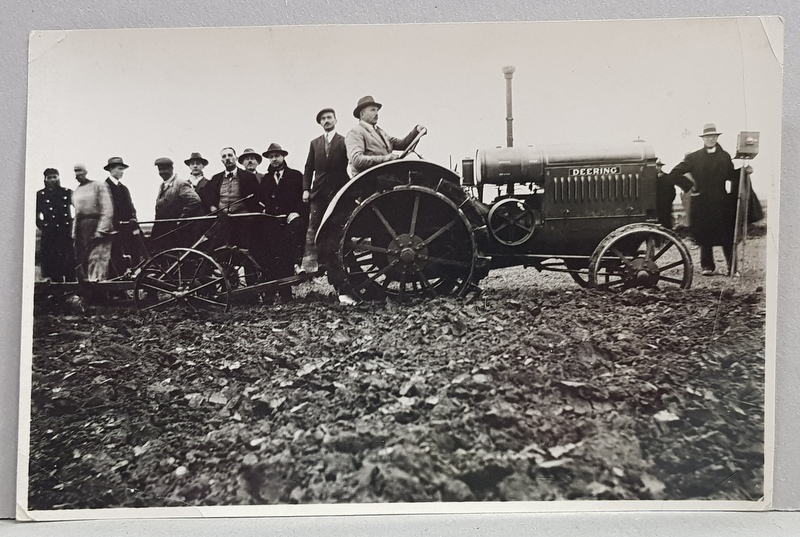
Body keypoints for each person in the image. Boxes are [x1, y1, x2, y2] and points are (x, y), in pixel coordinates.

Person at [667, 123, 753, 276]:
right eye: (708, 137)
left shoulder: (724, 156)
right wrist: (690, 186)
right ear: (703, 138)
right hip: (702, 202)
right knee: (704, 235)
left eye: (714, 136)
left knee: (727, 236)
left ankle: (732, 268)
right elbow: (674, 173)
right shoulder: (693, 158)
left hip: (721, 202)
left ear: (717, 137)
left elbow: (730, 175)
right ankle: (707, 267)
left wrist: (743, 172)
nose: (711, 139)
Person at [301, 108, 350, 272]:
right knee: (316, 227)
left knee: (336, 226)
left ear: (336, 120)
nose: (326, 120)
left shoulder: (344, 141)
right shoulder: (315, 143)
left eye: (329, 117)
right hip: (319, 192)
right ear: (320, 123)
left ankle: (336, 262)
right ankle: (320, 263)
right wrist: (306, 189)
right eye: (323, 119)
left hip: (339, 190)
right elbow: (308, 167)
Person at [259, 143, 305, 301]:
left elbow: (303, 198)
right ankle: (270, 292)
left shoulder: (296, 176)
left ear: (283, 156)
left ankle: (286, 293)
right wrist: (265, 211)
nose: (274, 159)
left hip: (290, 219)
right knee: (271, 256)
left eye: (276, 156)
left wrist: (296, 212)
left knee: (287, 253)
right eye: (271, 157)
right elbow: (260, 200)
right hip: (272, 222)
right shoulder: (265, 179)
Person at [345, 95, 426, 176]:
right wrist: (386, 158)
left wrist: (416, 131)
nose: (376, 114)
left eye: (377, 110)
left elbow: (402, 144)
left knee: (420, 173)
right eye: (373, 110)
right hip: (368, 179)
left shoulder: (380, 132)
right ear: (362, 114)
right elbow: (357, 160)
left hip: (385, 176)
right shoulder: (355, 132)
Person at [102, 157, 145, 277]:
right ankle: (117, 290)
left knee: (134, 254)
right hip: (114, 229)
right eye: (120, 169)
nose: (122, 172)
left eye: (123, 169)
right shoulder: (105, 187)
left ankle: (133, 280)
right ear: (111, 169)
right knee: (116, 258)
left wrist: (134, 221)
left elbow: (131, 208)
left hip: (127, 228)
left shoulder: (124, 188)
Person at [71, 163, 114, 282]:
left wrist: (102, 230)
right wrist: (75, 233)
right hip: (83, 230)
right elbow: (77, 213)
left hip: (97, 227)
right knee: (83, 261)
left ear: (86, 171)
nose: (77, 174)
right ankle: (88, 293)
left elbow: (107, 209)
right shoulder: (77, 191)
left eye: (80, 171)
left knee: (98, 259)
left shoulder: (99, 186)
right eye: (75, 171)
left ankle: (99, 292)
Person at [151, 157, 203, 250]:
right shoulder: (162, 185)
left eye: (165, 169)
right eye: (160, 169)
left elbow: (195, 200)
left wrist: (181, 219)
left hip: (174, 230)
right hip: (162, 228)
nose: (162, 172)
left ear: (172, 168)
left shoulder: (180, 183)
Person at [36, 168, 76, 282]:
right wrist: (43, 226)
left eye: (55, 177)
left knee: (68, 261)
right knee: (53, 262)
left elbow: (78, 209)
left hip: (65, 231)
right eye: (49, 177)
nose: (52, 180)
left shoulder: (67, 192)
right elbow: (36, 215)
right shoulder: (40, 195)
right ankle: (57, 292)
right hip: (50, 234)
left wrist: (73, 223)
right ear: (45, 179)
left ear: (59, 178)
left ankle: (71, 290)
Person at [206, 147, 262, 214]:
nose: (227, 158)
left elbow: (257, 197)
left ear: (236, 158)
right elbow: (206, 195)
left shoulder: (249, 177)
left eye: (230, 155)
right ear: (222, 161)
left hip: (243, 217)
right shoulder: (215, 179)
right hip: (221, 218)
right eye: (224, 156)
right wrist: (212, 207)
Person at [654, 158, 677, 230]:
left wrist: (668, 202)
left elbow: (673, 192)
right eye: (656, 166)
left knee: (666, 225)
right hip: (655, 206)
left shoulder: (667, 177)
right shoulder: (650, 179)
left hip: (665, 206)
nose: (657, 168)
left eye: (659, 166)